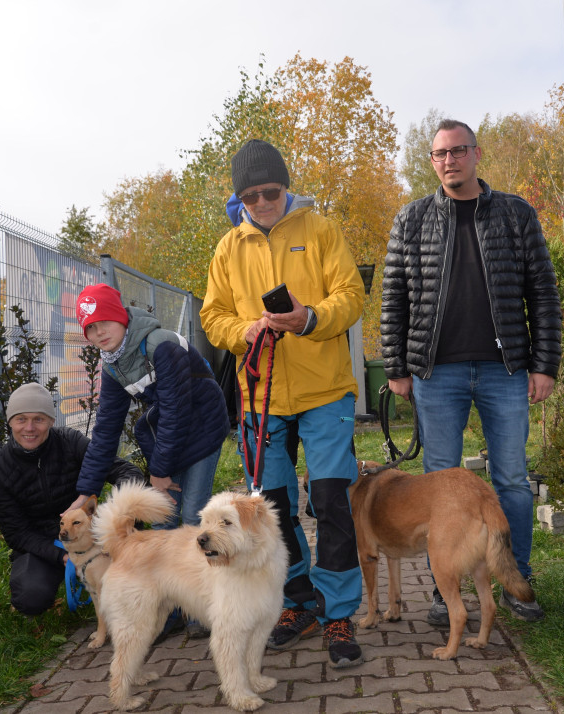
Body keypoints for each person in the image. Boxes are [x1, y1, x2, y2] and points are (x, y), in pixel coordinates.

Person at [380, 119, 562, 623]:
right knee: (441, 488)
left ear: (476, 154)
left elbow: (543, 292)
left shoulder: (515, 215)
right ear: (432, 160)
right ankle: (449, 592)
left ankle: (516, 578)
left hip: (505, 370)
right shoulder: (411, 219)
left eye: (458, 151)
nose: (449, 160)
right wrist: (396, 368)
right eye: (440, 154)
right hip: (437, 376)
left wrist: (544, 364)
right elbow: (393, 298)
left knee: (512, 481)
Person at [200, 138, 366, 669]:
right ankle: (298, 601)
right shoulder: (228, 248)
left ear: (285, 186)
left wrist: (309, 318)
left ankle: (339, 611)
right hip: (261, 397)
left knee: (331, 501)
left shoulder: (320, 230)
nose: (262, 201)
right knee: (268, 508)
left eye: (271, 191)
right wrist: (243, 331)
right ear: (240, 199)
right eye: (250, 195)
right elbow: (212, 316)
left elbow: (351, 295)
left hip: (325, 392)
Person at [67, 283, 231, 639]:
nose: (99, 334)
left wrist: (159, 472)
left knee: (191, 518)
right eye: (91, 329)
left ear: (121, 317)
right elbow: (106, 433)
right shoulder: (112, 367)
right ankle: (170, 604)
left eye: (104, 323)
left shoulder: (161, 345)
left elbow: (176, 410)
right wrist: (86, 492)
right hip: (169, 435)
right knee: (162, 522)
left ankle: (204, 607)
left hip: (203, 427)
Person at [0, 382, 145, 616]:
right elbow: (18, 535)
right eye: (21, 419)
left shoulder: (70, 442)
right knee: (30, 598)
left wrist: (110, 517)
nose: (29, 428)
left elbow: (129, 473)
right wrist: (64, 556)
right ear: (10, 422)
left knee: (129, 510)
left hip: (91, 533)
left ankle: (138, 581)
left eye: (39, 419)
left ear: (51, 421)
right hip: (45, 545)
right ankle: (66, 576)